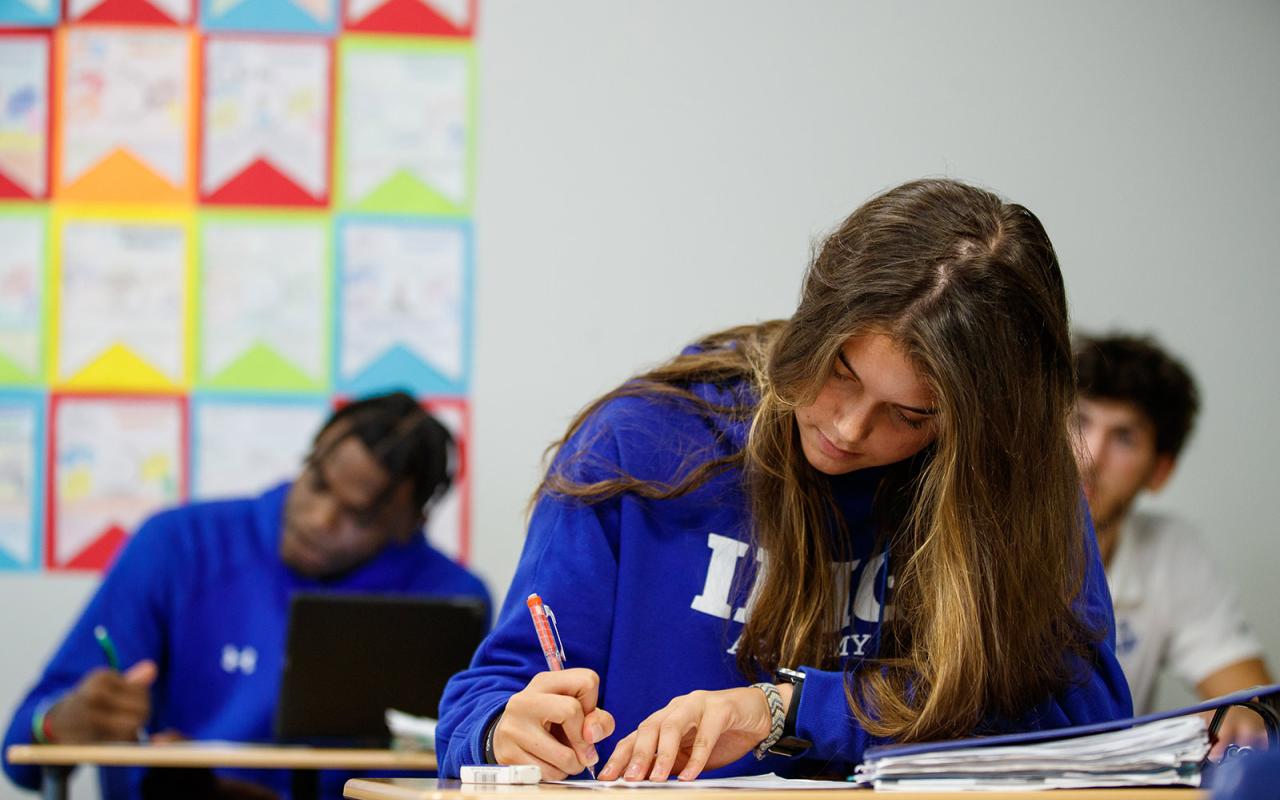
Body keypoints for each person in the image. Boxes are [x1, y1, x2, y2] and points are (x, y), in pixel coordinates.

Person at [436, 179, 1132, 783]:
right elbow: (487, 696)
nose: (851, 429)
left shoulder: (1009, 488)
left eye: (911, 414)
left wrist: (792, 711)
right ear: (814, 321)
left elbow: (1083, 726)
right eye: (840, 373)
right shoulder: (643, 442)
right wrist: (500, 729)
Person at [3, 391, 490, 799]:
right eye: (317, 482)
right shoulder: (177, 545)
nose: (319, 519)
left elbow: (448, 775)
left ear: (410, 523)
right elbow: (20, 749)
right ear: (310, 455)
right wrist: (59, 723)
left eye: (358, 517)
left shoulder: (451, 601)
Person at [1074, 333, 1273, 749]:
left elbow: (1255, 703)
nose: (1091, 454)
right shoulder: (975, 529)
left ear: (1160, 471)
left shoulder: (1171, 551)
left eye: (1124, 437)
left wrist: (1241, 713)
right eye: (1079, 421)